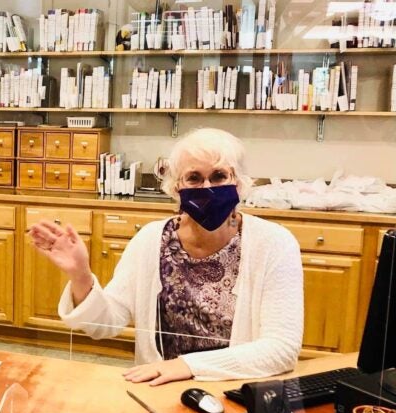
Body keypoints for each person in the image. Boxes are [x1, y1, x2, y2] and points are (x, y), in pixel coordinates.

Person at [29, 128, 303, 385]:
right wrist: (81, 275)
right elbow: (105, 324)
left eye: (219, 176)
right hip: (160, 391)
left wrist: (186, 366)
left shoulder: (274, 244)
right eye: (194, 178)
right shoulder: (151, 240)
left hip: (240, 391)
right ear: (176, 188)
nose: (207, 187)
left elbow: (281, 349)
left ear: (240, 184)